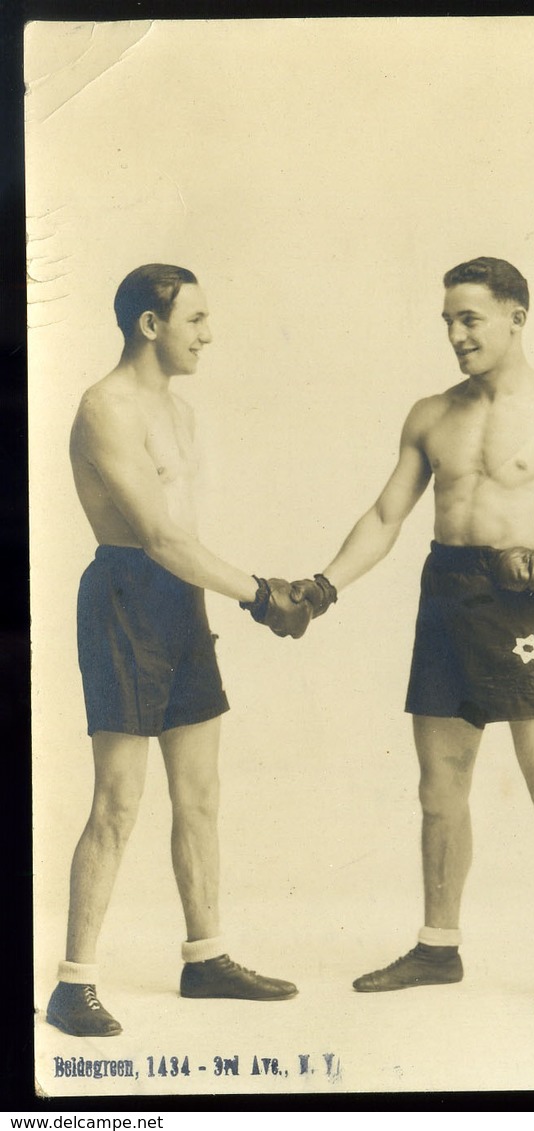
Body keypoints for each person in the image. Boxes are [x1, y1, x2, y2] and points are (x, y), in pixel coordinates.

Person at [290, 256, 534, 1013]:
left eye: (470, 319)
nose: (456, 335)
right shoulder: (430, 412)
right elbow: (388, 515)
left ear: (516, 316)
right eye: (448, 322)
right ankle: (437, 946)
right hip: (444, 598)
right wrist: (326, 582)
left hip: (516, 604)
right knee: (439, 790)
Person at [46, 264, 311, 1038]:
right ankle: (74, 983)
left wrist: (257, 589)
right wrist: (261, 593)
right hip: (125, 596)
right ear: (149, 325)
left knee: (200, 794)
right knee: (119, 800)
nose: (208, 334)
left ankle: (205, 957)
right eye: (195, 319)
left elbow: (185, 540)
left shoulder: (182, 413)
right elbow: (157, 536)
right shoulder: (105, 406)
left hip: (180, 600)